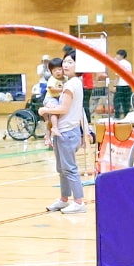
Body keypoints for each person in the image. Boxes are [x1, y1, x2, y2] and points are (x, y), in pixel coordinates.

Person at [41, 55, 88, 214]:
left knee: (69, 168)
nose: (65, 65)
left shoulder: (71, 85)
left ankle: (79, 202)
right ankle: (64, 199)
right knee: (62, 168)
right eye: (65, 62)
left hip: (67, 132)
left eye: (70, 62)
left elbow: (62, 109)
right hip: (63, 132)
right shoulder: (70, 83)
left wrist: (45, 110)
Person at [111, 48, 134, 117]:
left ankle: (117, 116)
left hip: (120, 85)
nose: (116, 57)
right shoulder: (128, 64)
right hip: (127, 85)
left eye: (117, 55)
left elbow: (117, 76)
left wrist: (115, 86)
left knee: (117, 102)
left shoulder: (119, 63)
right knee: (126, 103)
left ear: (121, 56)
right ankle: (126, 116)